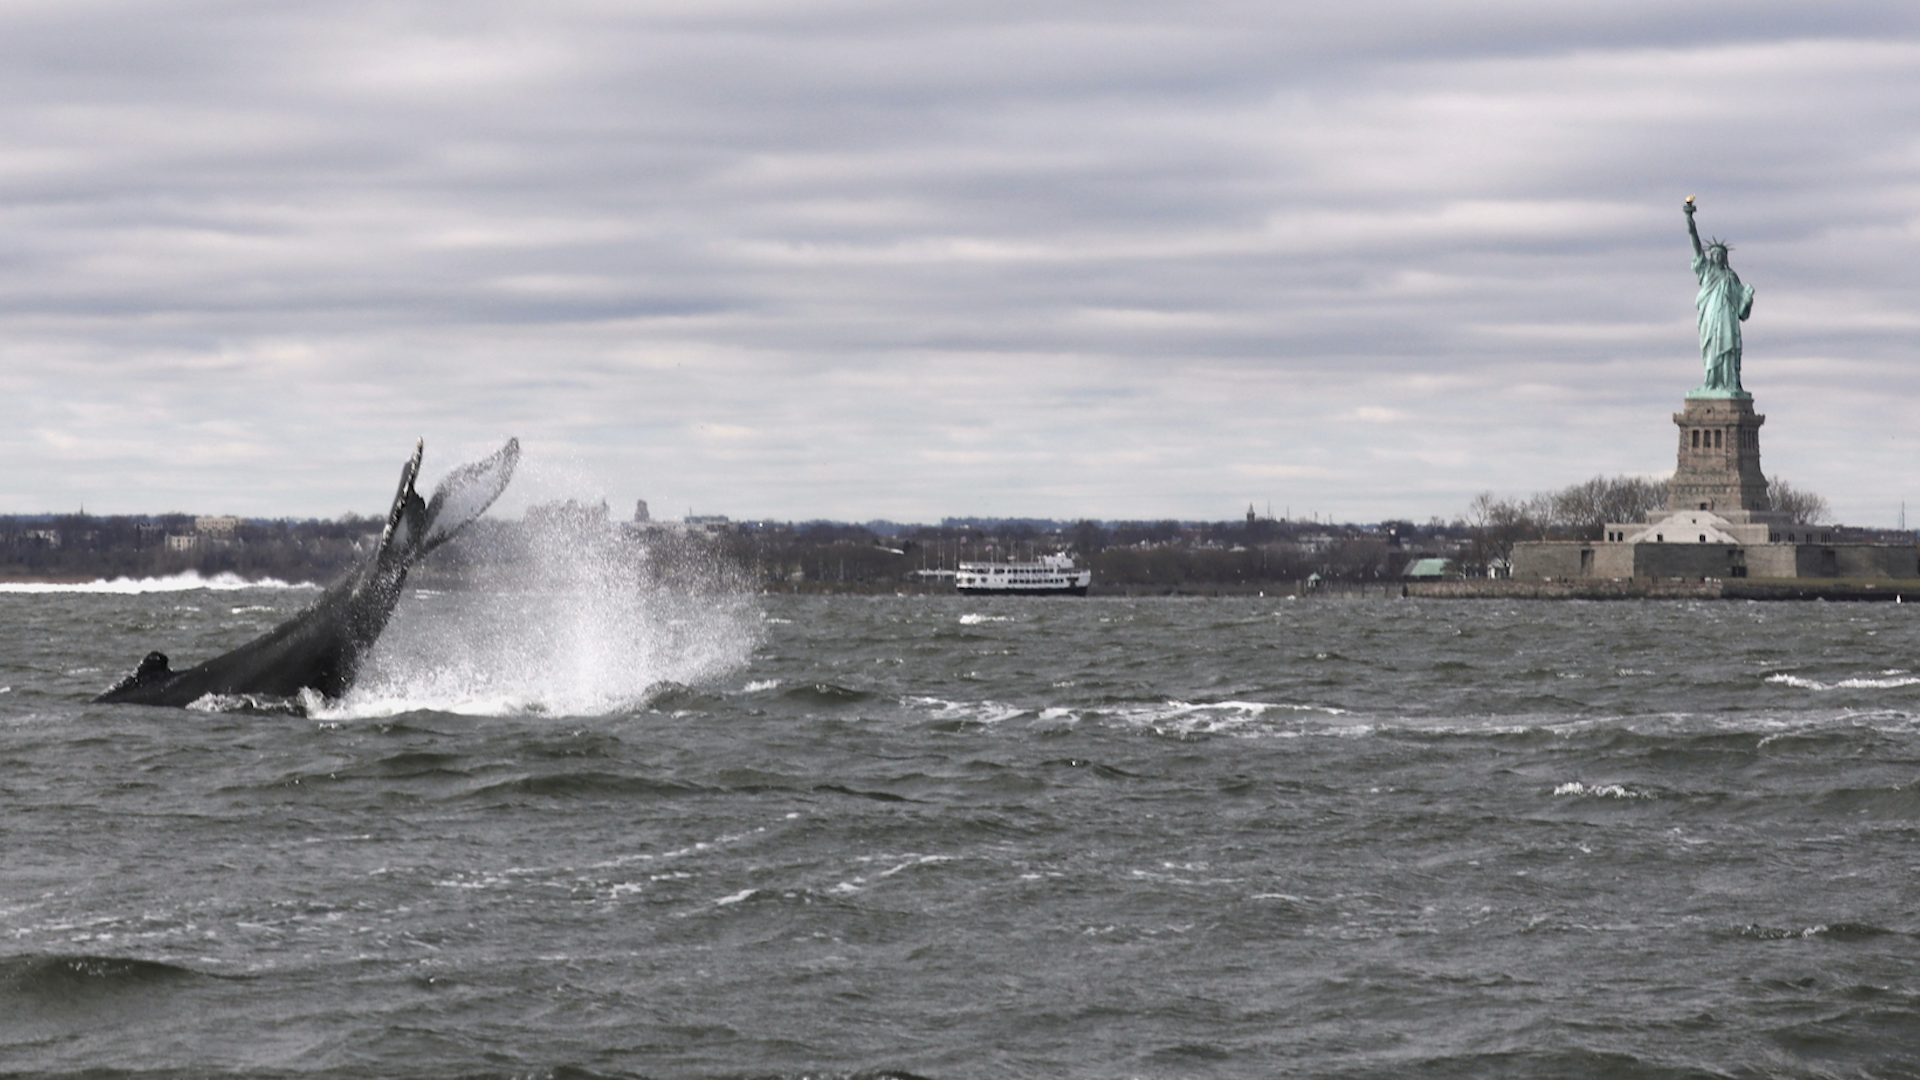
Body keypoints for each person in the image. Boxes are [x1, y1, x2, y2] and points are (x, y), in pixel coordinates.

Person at [1684, 198, 1755, 394]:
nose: (1716, 257)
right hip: (1710, 318)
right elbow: (1696, 245)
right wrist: (1689, 219)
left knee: (1728, 350)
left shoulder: (1732, 277)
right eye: (1713, 254)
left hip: (1727, 320)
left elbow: (1742, 311)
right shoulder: (1705, 271)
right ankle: (1711, 382)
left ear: (1725, 257)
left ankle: (1729, 383)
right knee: (1712, 350)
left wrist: (1747, 298)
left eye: (1720, 254)